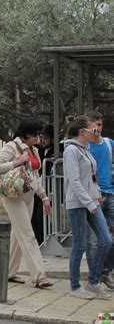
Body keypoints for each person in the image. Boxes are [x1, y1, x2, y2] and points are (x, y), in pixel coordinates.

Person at [0, 120, 53, 288]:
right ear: (26, 134)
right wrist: (17, 161)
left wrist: (44, 197)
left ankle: (9, 272)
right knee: (28, 234)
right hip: (13, 195)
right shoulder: (11, 147)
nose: (38, 137)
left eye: (39, 135)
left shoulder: (35, 150)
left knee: (18, 234)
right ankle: (39, 276)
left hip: (28, 194)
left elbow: (35, 177)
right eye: (35, 134)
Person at [63, 116, 112, 299]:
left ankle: (93, 281)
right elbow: (74, 182)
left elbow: (91, 177)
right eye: (93, 129)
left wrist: (97, 194)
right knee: (80, 245)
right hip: (78, 204)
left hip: (92, 202)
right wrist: (90, 203)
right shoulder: (71, 151)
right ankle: (75, 286)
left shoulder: (86, 150)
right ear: (82, 132)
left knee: (106, 240)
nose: (96, 132)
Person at [84, 110, 114, 290]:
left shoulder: (109, 144)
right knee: (94, 240)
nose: (97, 128)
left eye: (99, 124)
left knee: (110, 238)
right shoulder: (84, 147)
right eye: (93, 125)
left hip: (110, 193)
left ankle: (105, 271)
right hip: (93, 196)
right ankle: (95, 276)